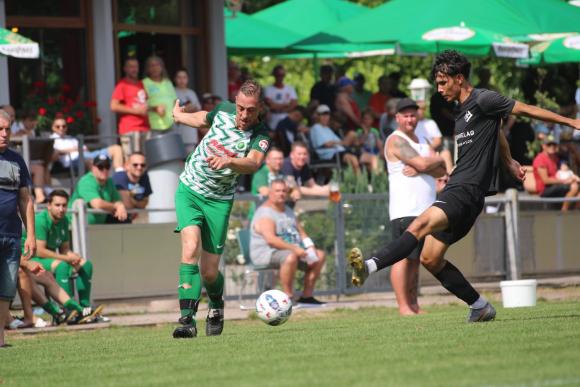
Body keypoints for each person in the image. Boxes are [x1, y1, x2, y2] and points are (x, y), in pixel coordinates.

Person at [347, 50, 580, 323]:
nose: (439, 88)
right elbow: (496, 130)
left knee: (417, 227)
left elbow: (525, 109)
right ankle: (480, 305)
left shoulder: (483, 98)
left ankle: (369, 267)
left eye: (443, 82)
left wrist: (571, 122)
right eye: (436, 83)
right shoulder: (462, 112)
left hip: (465, 190)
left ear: (459, 78)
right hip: (464, 193)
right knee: (431, 259)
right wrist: (509, 161)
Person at [170, 79, 271, 338]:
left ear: (259, 108)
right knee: (190, 247)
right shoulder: (224, 110)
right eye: (240, 108)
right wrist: (179, 116)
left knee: (210, 271)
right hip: (189, 190)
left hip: (218, 201)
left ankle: (216, 304)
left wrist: (229, 161)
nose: (243, 114)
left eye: (250, 109)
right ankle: (187, 320)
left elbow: (252, 163)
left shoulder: (260, 135)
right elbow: (205, 117)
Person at [384, 98, 446, 315]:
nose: (410, 119)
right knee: (402, 258)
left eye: (413, 115)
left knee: (416, 261)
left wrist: (424, 166)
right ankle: (403, 307)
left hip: (425, 210)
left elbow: (442, 170)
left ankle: (414, 305)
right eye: (406, 115)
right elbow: (429, 163)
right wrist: (429, 163)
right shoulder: (395, 140)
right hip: (405, 210)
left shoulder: (423, 140)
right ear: (397, 118)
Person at [24, 190, 103, 323]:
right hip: (30, 258)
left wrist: (74, 256)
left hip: (47, 258)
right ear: (49, 205)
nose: (61, 209)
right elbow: (40, 251)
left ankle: (84, 308)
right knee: (62, 266)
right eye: (57, 205)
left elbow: (64, 249)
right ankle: (69, 310)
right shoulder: (40, 220)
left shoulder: (64, 220)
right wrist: (67, 258)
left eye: (64, 205)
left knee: (86, 265)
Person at [250, 179, 326, 305]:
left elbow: (301, 232)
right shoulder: (265, 212)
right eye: (277, 191)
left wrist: (310, 246)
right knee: (290, 257)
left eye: (284, 191)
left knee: (320, 255)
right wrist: (295, 249)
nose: (281, 193)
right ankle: (288, 298)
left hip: (292, 252)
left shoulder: (288, 210)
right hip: (266, 253)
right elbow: (271, 240)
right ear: (270, 193)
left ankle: (307, 297)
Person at [0, 109, 36, 347]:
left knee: (6, 289)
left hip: (12, 235)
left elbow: (25, 200)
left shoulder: (16, 159)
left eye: (7, 129)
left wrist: (31, 234)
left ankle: (0, 338)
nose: (4, 134)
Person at [50, 117, 124, 173]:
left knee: (116, 149)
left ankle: (119, 176)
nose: (61, 128)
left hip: (87, 155)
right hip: (74, 161)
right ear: (53, 128)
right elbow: (56, 152)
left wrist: (77, 149)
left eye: (64, 126)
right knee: (92, 162)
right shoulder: (52, 139)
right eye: (58, 126)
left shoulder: (71, 138)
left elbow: (84, 148)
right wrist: (75, 149)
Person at [69, 155, 128, 225]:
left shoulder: (110, 181)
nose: (104, 170)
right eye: (100, 167)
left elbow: (117, 200)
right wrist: (116, 206)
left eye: (107, 167)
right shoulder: (86, 181)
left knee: (124, 219)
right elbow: (97, 204)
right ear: (93, 168)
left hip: (95, 227)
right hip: (75, 227)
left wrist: (120, 206)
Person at [110, 57, 150, 155]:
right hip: (130, 128)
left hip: (145, 127)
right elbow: (113, 106)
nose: (134, 69)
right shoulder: (122, 85)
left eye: (136, 66)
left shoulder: (141, 84)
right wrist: (136, 111)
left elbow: (145, 102)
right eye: (131, 67)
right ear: (125, 69)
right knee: (132, 161)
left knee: (145, 161)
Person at [532, 135, 580, 211]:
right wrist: (565, 181)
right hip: (544, 190)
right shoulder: (540, 159)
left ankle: (575, 212)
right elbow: (546, 180)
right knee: (574, 186)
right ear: (543, 146)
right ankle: (564, 210)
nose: (552, 147)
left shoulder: (555, 158)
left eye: (554, 144)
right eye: (549, 145)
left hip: (556, 185)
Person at [310, 105, 360, 174]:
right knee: (353, 159)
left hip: (339, 151)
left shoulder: (327, 129)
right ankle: (360, 183)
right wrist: (342, 142)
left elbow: (339, 142)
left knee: (362, 157)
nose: (325, 117)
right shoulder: (316, 128)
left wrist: (341, 143)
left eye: (327, 115)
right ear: (318, 116)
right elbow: (326, 144)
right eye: (323, 115)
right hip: (330, 154)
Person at [143, 56, 177, 135]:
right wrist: (155, 108)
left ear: (162, 67)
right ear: (147, 69)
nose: (155, 68)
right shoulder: (144, 83)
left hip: (171, 124)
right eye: (152, 65)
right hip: (153, 126)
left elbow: (175, 101)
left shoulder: (168, 83)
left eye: (157, 65)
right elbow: (141, 105)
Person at [113, 152, 152, 221]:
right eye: (135, 165)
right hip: (114, 220)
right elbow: (127, 205)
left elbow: (145, 203)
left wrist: (131, 199)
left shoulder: (144, 177)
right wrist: (137, 203)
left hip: (131, 219)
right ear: (126, 166)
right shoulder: (120, 176)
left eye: (142, 165)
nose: (139, 167)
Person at [174, 68, 201, 150]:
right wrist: (188, 109)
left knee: (189, 159)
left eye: (184, 77)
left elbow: (198, 109)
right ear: (175, 79)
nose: (182, 80)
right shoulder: (172, 92)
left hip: (190, 133)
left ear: (188, 79)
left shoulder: (192, 93)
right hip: (176, 132)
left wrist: (183, 110)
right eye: (179, 77)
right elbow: (173, 111)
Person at [265, 65, 298, 130]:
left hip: (287, 117)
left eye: (282, 75)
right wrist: (286, 105)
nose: (280, 77)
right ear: (274, 75)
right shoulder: (268, 89)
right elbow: (270, 105)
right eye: (278, 75)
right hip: (273, 118)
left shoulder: (290, 88)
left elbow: (294, 104)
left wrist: (280, 108)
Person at [357, 109, 383, 173]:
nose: (366, 121)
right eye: (365, 119)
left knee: (375, 163)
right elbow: (360, 143)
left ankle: (377, 178)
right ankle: (378, 179)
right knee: (374, 160)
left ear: (372, 120)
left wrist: (382, 152)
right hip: (362, 154)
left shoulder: (374, 131)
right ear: (362, 120)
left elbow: (379, 145)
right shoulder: (359, 131)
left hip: (373, 152)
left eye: (369, 119)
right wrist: (365, 132)